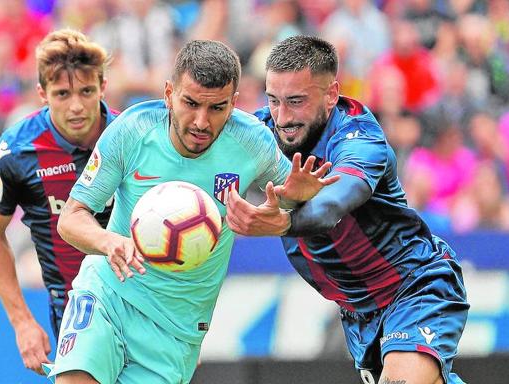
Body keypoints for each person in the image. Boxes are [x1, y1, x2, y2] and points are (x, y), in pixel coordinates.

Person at [50, 39, 335, 384]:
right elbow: (72, 216)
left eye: (216, 108)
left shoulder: (253, 142)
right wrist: (108, 241)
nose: (201, 122)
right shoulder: (132, 130)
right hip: (110, 293)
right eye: (190, 103)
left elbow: (300, 205)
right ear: (169, 93)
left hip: (176, 325)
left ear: (233, 104)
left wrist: (295, 201)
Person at [225, 35, 470, 384]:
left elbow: (333, 204)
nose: (282, 117)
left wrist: (282, 221)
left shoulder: (360, 137)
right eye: (274, 100)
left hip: (415, 285)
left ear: (331, 94)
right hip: (359, 313)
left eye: (296, 101)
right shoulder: (260, 132)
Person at [0, 29, 119, 375]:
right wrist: (22, 321)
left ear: (103, 86)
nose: (76, 106)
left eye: (87, 91)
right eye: (62, 94)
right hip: (74, 312)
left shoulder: (131, 136)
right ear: (42, 93)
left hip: (143, 302)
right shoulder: (16, 151)